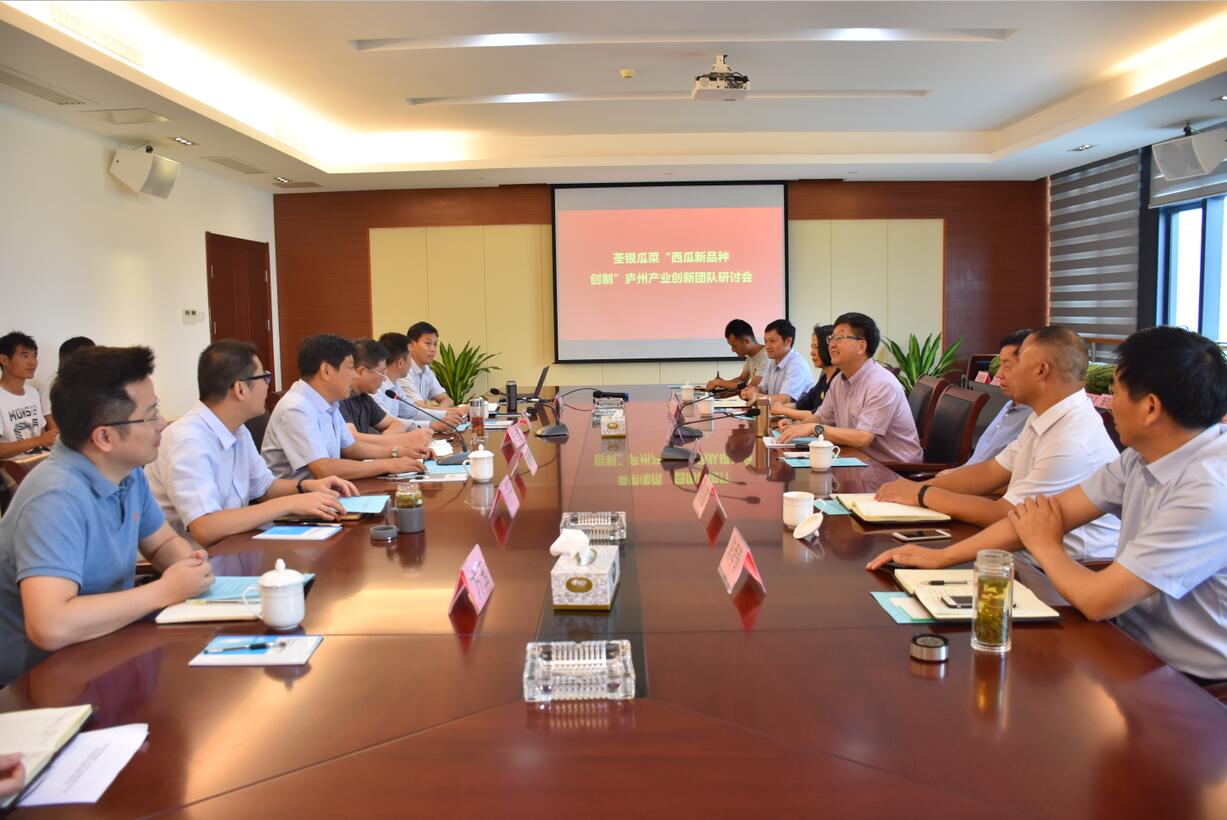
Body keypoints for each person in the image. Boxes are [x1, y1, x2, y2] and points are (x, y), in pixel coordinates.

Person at [870, 326, 1227, 687]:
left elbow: (1098, 599)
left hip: (1188, 681)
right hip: (1125, 639)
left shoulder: (1208, 493)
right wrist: (940, 558)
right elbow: (1041, 515)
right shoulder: (1140, 456)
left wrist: (1043, 542)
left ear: (1150, 408)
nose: (1108, 402)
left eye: (1115, 392)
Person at [0, 346, 215, 686]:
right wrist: (165, 591)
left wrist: (188, 564)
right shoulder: (55, 496)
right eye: (150, 415)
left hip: (105, 650)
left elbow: (160, 543)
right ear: (104, 436)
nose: (162, 424)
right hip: (40, 684)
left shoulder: (126, 471)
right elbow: (50, 626)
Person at [873, 326, 1120, 560]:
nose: (1000, 374)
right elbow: (991, 471)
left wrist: (923, 493)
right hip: (1022, 553)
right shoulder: (1044, 417)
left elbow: (1007, 514)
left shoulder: (1072, 440)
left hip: (1058, 573)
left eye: (1016, 363)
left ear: (1040, 370)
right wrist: (913, 488)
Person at [146, 340, 360, 549]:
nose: (268, 385)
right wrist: (289, 503)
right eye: (264, 378)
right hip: (191, 561)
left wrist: (304, 487)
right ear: (241, 389)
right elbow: (205, 527)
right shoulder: (188, 440)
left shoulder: (238, 431)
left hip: (233, 547)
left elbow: (265, 488)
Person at [261, 334, 425, 482]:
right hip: (297, 501)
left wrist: (398, 452)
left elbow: (351, 447)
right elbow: (323, 468)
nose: (354, 375)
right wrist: (388, 465)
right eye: (350, 368)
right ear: (326, 371)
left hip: (325, 493)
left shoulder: (330, 403)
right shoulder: (296, 408)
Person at [777, 312, 923, 463]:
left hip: (894, 468)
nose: (832, 345)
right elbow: (821, 418)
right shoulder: (839, 380)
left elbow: (863, 438)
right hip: (857, 459)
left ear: (861, 346)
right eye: (831, 338)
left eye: (840, 338)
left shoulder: (881, 384)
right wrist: (795, 426)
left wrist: (814, 428)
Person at [338, 338, 435, 451]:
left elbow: (396, 424)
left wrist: (385, 441)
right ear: (362, 371)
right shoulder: (339, 399)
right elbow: (352, 439)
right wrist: (406, 439)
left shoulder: (365, 398)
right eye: (381, 372)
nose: (384, 379)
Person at [965, 329, 1034, 466]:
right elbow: (980, 459)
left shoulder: (1034, 418)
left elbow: (997, 474)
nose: (998, 374)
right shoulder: (1009, 404)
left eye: (1007, 366)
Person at [0, 331, 58, 460]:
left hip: (40, 461)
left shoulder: (32, 392)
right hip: (14, 468)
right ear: (4, 360)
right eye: (25, 356)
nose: (32, 362)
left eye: (34, 356)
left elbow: (41, 432)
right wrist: (39, 440)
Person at [400, 321, 467, 421]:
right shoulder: (403, 371)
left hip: (422, 424)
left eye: (435, 344)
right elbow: (419, 409)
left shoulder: (426, 369)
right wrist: (450, 412)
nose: (433, 349)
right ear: (412, 346)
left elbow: (447, 400)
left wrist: (440, 413)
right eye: (428, 343)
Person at [772, 324, 836, 422]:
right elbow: (802, 405)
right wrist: (780, 407)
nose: (812, 353)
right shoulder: (824, 378)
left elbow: (819, 415)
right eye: (812, 347)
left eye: (816, 347)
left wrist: (783, 410)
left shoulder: (839, 379)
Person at [741, 319, 814, 405]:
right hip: (776, 412)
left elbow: (784, 399)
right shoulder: (772, 361)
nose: (767, 346)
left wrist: (755, 396)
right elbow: (762, 389)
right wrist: (749, 391)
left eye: (772, 341)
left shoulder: (797, 364)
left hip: (794, 413)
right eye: (765, 341)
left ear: (788, 341)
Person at [705, 319, 768, 392]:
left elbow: (751, 387)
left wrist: (719, 383)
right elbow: (742, 379)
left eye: (734, 346)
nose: (733, 350)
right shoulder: (750, 356)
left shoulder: (766, 356)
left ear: (746, 341)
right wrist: (723, 383)